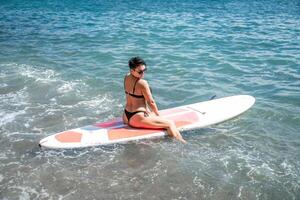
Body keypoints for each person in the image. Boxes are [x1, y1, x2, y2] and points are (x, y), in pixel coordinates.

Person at [123, 57, 186, 143]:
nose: (143, 74)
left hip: (126, 116)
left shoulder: (126, 77)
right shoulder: (142, 83)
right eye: (140, 72)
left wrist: (146, 110)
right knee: (170, 124)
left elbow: (132, 96)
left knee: (152, 115)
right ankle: (182, 143)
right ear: (132, 70)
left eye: (145, 70)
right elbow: (151, 102)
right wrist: (158, 115)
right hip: (137, 117)